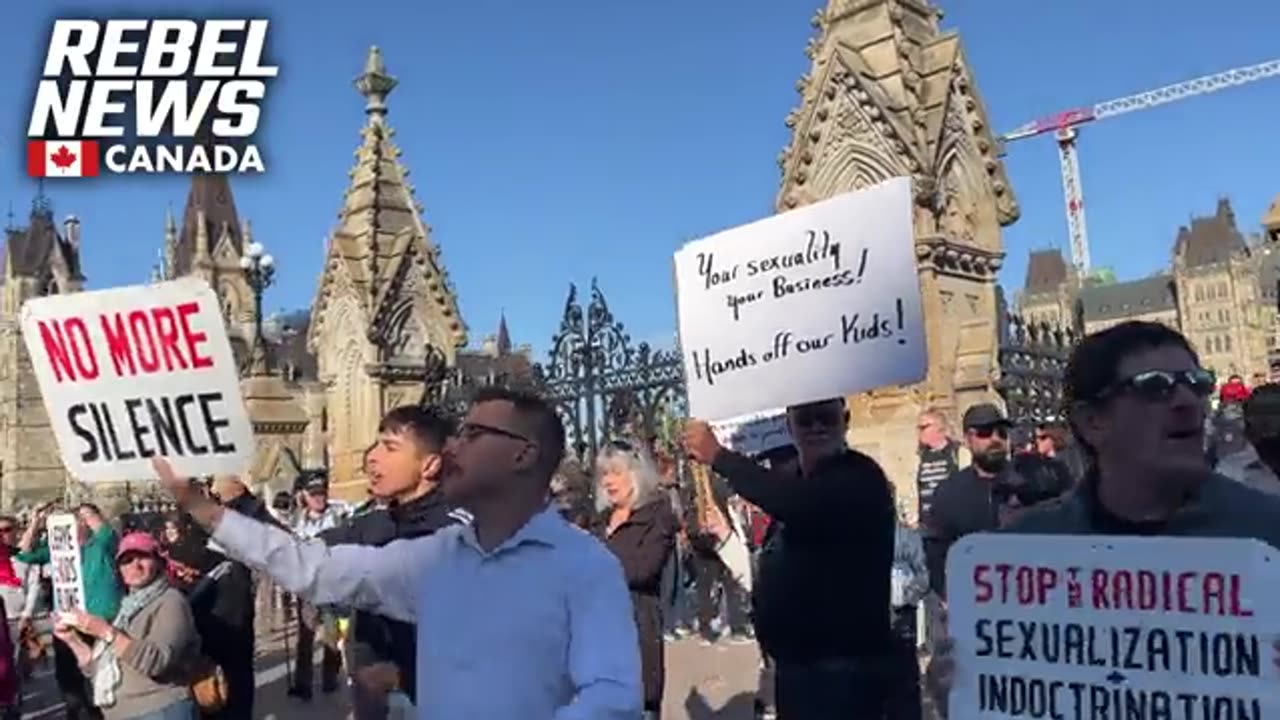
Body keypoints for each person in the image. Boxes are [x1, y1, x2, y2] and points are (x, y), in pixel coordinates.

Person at [154, 385, 643, 719]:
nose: (458, 448)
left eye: (475, 436)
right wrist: (206, 509)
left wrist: (409, 674)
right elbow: (313, 566)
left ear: (524, 456)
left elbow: (612, 696)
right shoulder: (440, 554)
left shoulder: (584, 566)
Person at [926, 321, 1280, 717]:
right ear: (1093, 421)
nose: (1187, 400)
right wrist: (963, 692)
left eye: (1197, 382)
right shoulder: (1029, 552)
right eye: (1155, 386)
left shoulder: (1268, 534)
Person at [684, 397, 895, 720]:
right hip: (796, 670)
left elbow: (802, 504)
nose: (817, 427)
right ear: (789, 426)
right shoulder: (794, 479)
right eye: (806, 419)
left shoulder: (861, 476)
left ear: (846, 420)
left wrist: (719, 456)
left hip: (845, 670)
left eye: (826, 417)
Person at [317, 405, 471, 719]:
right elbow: (295, 552)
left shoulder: (459, 531)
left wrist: (401, 676)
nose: (371, 456)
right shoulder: (374, 523)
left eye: (390, 447)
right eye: (375, 444)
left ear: (429, 465)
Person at [54, 532, 200, 720]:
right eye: (127, 561)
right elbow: (95, 670)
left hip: (160, 708)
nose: (135, 566)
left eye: (143, 557)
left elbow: (156, 662)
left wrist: (106, 631)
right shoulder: (126, 608)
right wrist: (72, 640)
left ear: (158, 562)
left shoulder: (171, 601)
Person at [594, 440, 678, 720]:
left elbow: (643, 568)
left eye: (616, 472)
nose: (608, 481)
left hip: (636, 635)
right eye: (604, 473)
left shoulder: (657, 514)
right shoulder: (600, 519)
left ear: (636, 473)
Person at [17, 503, 122, 720]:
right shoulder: (57, 550)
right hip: (69, 624)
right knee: (70, 682)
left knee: (106, 677)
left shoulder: (100, 544)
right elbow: (24, 553)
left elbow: (104, 530)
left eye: (76, 523)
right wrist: (36, 521)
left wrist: (85, 511)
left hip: (101, 621)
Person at [920, 403, 1012, 598]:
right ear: (968, 439)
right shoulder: (949, 492)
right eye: (985, 432)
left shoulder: (1028, 481)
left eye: (1002, 432)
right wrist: (947, 596)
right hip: (974, 602)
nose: (995, 439)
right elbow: (936, 553)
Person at [289, 470, 346, 700]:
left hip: (332, 586)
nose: (319, 498)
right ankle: (303, 684)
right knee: (305, 637)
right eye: (313, 494)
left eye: (322, 493)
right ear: (304, 495)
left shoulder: (339, 514)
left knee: (332, 635)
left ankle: (330, 679)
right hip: (308, 587)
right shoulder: (297, 520)